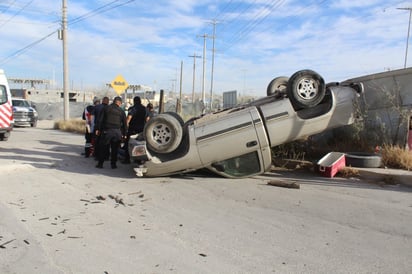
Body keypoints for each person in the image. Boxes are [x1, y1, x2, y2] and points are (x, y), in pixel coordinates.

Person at [95, 96, 127, 169]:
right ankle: (113, 165)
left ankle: (100, 164)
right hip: (117, 132)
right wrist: (124, 134)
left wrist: (98, 129)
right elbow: (125, 124)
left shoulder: (106, 108)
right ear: (119, 103)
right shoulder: (121, 111)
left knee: (103, 148)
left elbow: (100, 120)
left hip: (107, 131)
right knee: (115, 149)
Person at [122, 96, 149, 164]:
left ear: (134, 101)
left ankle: (127, 159)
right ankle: (138, 159)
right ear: (140, 101)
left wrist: (125, 127)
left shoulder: (133, 108)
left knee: (129, 144)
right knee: (140, 144)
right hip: (141, 130)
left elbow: (129, 118)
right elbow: (147, 120)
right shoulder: (145, 109)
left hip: (133, 129)